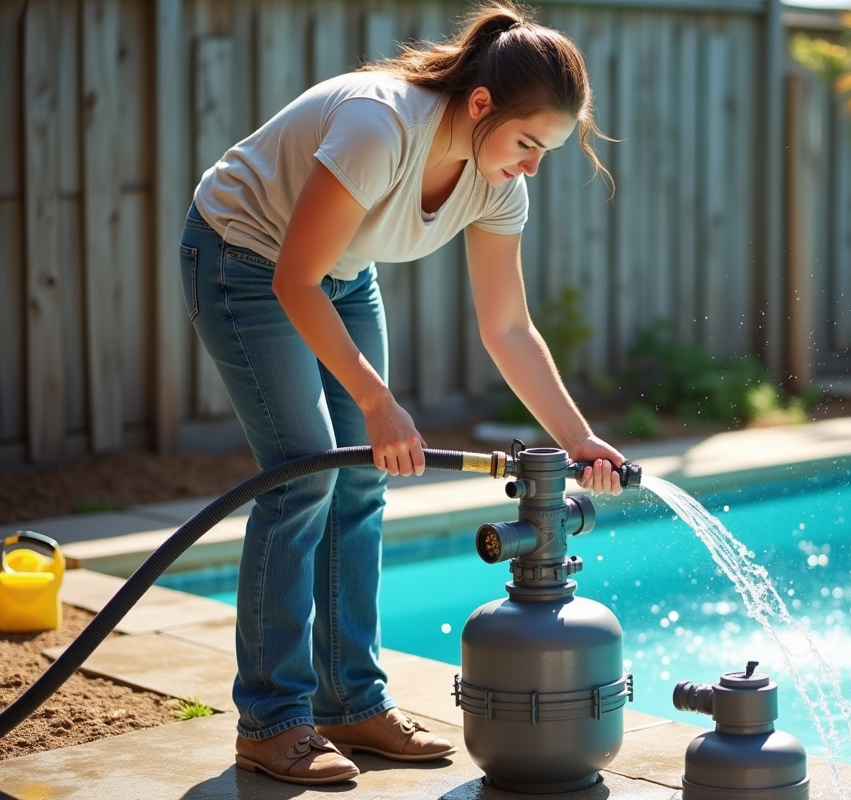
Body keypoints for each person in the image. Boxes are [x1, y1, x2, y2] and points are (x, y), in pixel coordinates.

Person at [180, 2, 625, 785]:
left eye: (546, 152)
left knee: (361, 484)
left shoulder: (497, 186)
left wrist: (579, 435)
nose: (531, 167)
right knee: (306, 472)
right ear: (480, 104)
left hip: (341, 274)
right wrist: (378, 400)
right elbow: (292, 277)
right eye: (527, 144)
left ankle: (350, 701)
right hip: (241, 256)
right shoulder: (379, 126)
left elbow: (510, 329)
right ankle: (271, 720)